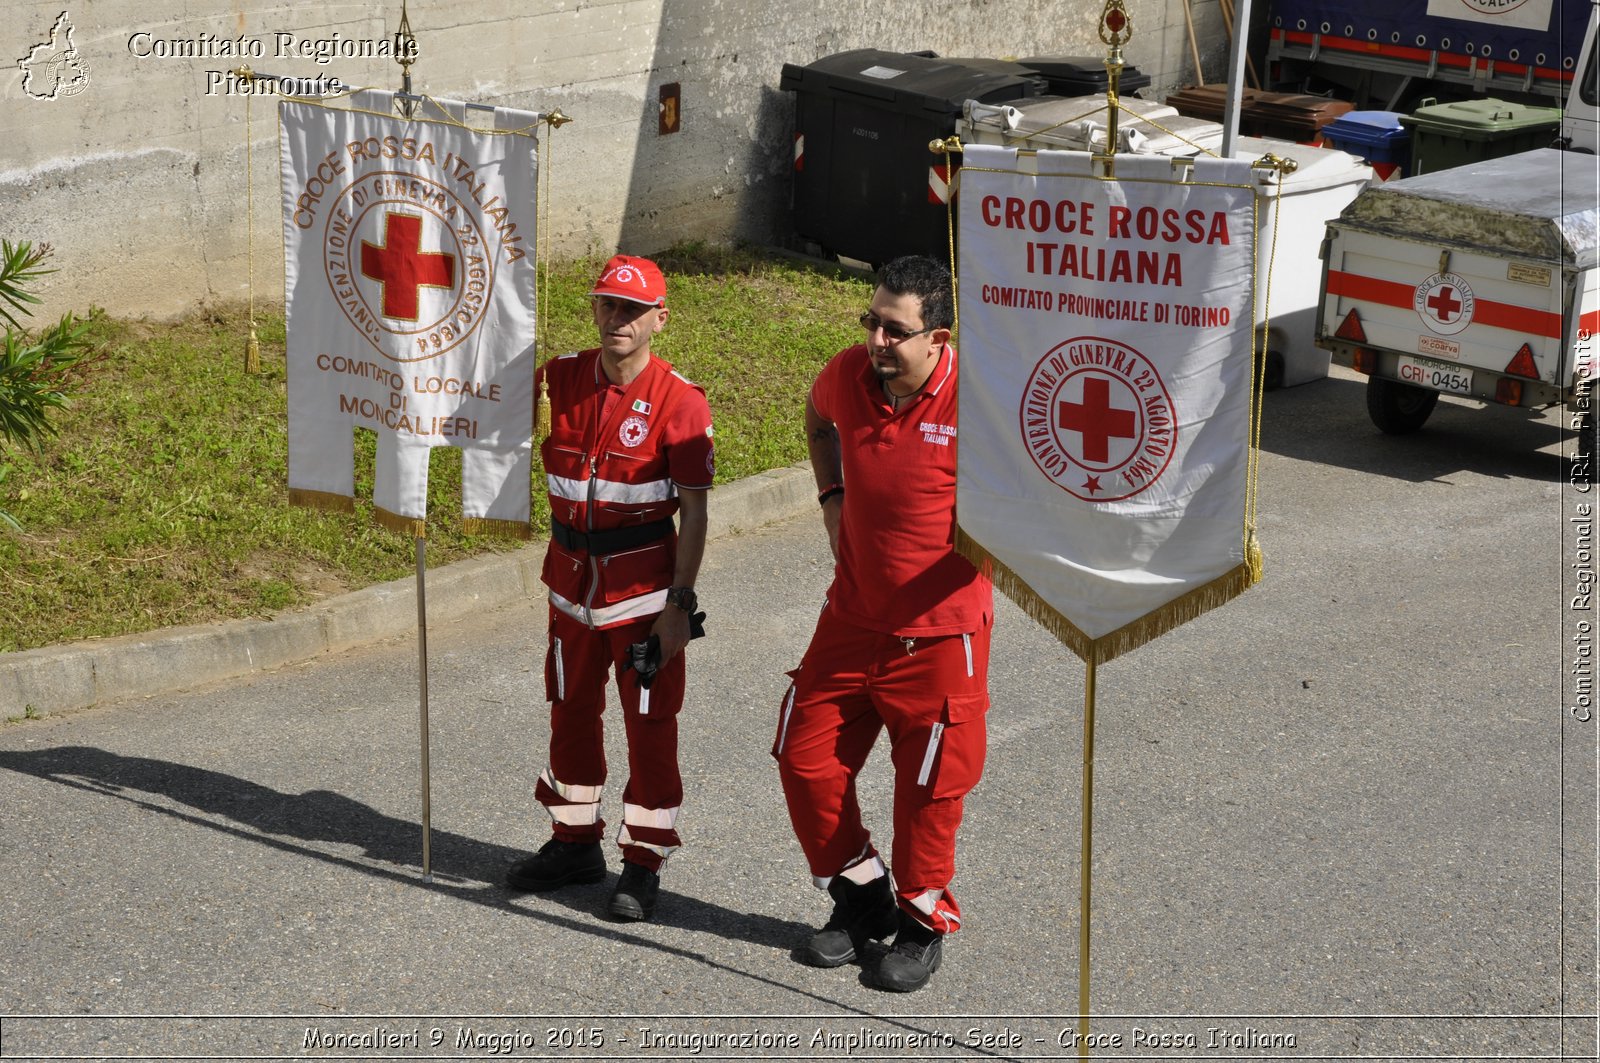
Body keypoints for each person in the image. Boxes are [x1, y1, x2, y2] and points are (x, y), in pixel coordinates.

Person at [774, 254, 994, 992]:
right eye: (871, 321)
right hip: (852, 617)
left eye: (894, 330)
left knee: (928, 791)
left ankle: (923, 922)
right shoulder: (846, 375)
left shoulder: (981, 399)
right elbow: (816, 418)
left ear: (938, 337)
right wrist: (831, 494)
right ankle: (864, 896)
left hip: (940, 635)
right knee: (803, 756)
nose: (875, 339)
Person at [507, 254, 714, 923]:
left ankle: (643, 862)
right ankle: (574, 844)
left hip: (644, 602)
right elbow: (484, 402)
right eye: (608, 304)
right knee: (569, 714)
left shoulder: (683, 403)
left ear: (661, 317)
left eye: (633, 308)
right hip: (569, 591)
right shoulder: (558, 379)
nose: (618, 318)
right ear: (593, 309)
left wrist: (679, 606)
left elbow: (695, 512)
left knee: (649, 728)